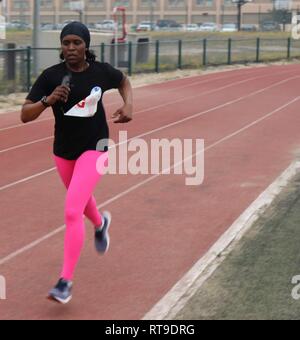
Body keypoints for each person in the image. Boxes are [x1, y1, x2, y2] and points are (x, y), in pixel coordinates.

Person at [21, 22, 133, 304]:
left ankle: (65, 282)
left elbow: (123, 81)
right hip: (63, 152)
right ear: (61, 47)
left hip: (96, 148)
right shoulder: (51, 76)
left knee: (72, 210)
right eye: (66, 43)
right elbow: (25, 114)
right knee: (81, 202)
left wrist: (128, 104)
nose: (71, 48)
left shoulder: (101, 72)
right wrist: (47, 101)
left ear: (86, 46)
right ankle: (100, 223)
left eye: (76, 43)